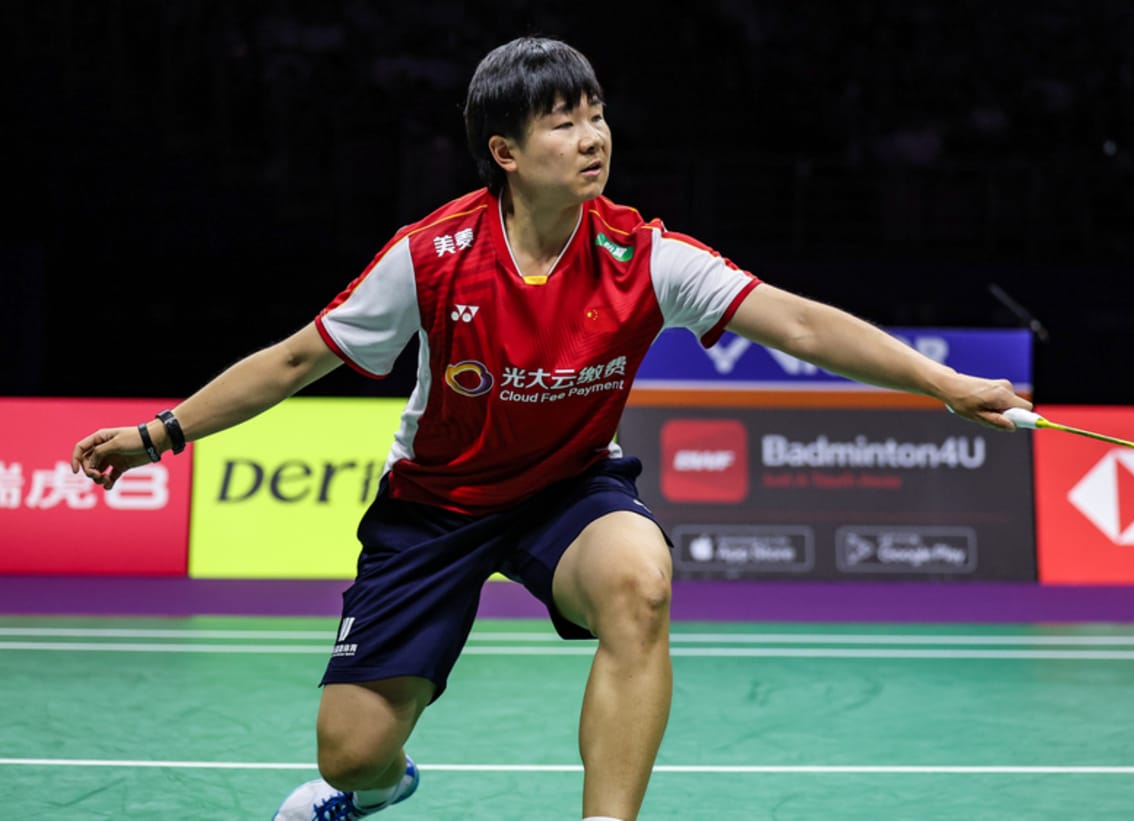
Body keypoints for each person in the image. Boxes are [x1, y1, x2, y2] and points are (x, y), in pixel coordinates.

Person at [70, 36, 1031, 821]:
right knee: (351, 753)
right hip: (436, 506)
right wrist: (159, 435)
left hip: (569, 490)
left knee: (639, 582)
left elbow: (803, 324)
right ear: (505, 151)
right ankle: (378, 787)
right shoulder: (433, 257)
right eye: (563, 122)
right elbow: (293, 361)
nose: (592, 137)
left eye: (597, 114)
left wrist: (942, 384)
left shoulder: (645, 256)